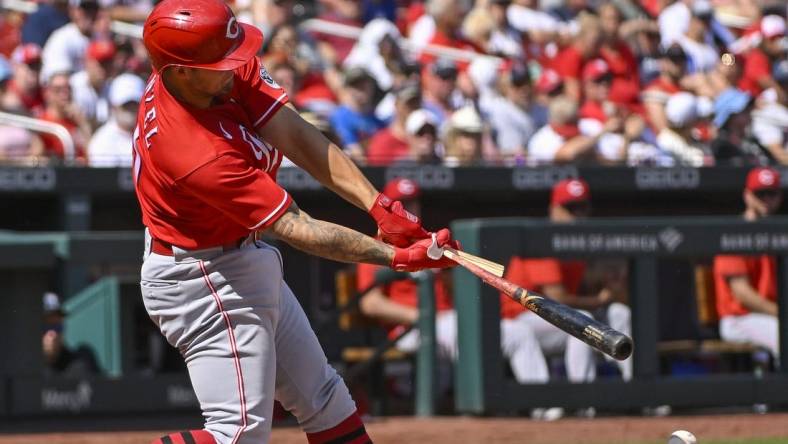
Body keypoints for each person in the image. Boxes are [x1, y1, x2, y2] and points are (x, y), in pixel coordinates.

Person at [135, 2, 458, 443]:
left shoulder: (212, 74)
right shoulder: (191, 150)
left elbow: (298, 136)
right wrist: (394, 256)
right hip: (200, 277)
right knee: (238, 433)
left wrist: (379, 206)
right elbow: (295, 225)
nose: (235, 66)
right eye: (219, 63)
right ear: (180, 71)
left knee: (327, 402)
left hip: (237, 256)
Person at [356, 178, 551, 412]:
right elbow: (370, 304)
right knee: (468, 337)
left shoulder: (429, 240)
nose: (409, 209)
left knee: (519, 333)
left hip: (448, 320)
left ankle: (544, 405)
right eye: (402, 203)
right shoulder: (374, 247)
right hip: (410, 328)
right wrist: (423, 316)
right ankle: (478, 407)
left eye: (413, 202)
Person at [500, 178, 632, 419]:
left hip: (553, 319)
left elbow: (594, 280)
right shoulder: (540, 238)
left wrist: (611, 282)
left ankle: (630, 394)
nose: (578, 215)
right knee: (583, 322)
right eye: (571, 209)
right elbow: (556, 296)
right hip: (520, 316)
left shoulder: (578, 241)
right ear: (554, 210)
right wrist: (600, 299)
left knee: (619, 314)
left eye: (582, 208)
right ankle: (548, 404)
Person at [713, 167, 782, 358]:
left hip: (769, 317)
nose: (767, 199)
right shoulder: (734, 233)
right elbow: (742, 294)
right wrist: (781, 313)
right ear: (747, 195)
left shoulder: (777, 233)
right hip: (738, 319)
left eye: (772, 193)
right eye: (760, 194)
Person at [87, 73, 144, 167]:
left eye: (134, 104)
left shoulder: (153, 134)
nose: (130, 109)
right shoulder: (102, 142)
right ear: (113, 106)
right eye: (125, 105)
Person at [42, 292, 100, 378]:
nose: (52, 334)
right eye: (47, 326)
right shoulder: (22, 367)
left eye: (57, 326)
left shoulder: (80, 363)